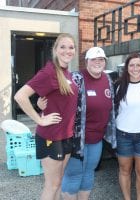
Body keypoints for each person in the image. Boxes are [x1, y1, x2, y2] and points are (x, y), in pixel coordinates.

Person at [38, 47, 116, 200]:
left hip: (96, 140)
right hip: (75, 139)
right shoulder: (75, 78)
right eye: (94, 59)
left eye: (101, 60)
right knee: (73, 176)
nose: (97, 63)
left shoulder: (107, 80)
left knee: (88, 174)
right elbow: (56, 97)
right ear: (86, 61)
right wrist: (42, 107)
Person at [14, 33, 79, 200]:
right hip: (51, 136)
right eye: (62, 47)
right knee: (52, 185)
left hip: (66, 135)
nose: (67, 51)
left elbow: (57, 100)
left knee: (58, 182)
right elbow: (20, 96)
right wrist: (39, 119)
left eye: (71, 47)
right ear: (55, 50)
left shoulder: (67, 74)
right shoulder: (50, 72)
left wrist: (41, 106)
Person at [115, 53, 140, 200]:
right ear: (127, 67)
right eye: (131, 65)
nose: (135, 68)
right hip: (123, 135)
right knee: (125, 170)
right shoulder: (119, 85)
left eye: (138, 65)